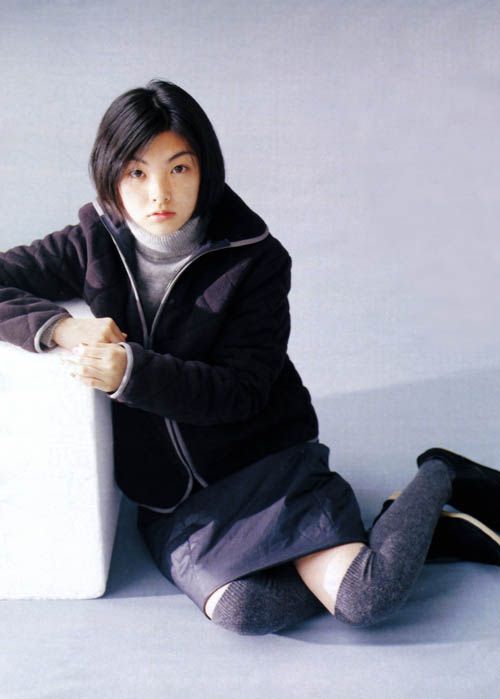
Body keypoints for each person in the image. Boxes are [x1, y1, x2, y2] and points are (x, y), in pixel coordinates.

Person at [0, 80, 499, 635]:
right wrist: (61, 328)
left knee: (366, 599)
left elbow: (241, 391)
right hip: (174, 503)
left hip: (265, 462)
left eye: (179, 168)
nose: (158, 193)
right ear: (111, 175)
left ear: (205, 169)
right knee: (248, 611)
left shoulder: (255, 258)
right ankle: (405, 537)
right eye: (137, 173)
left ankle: (440, 474)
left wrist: (133, 373)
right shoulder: (93, 243)